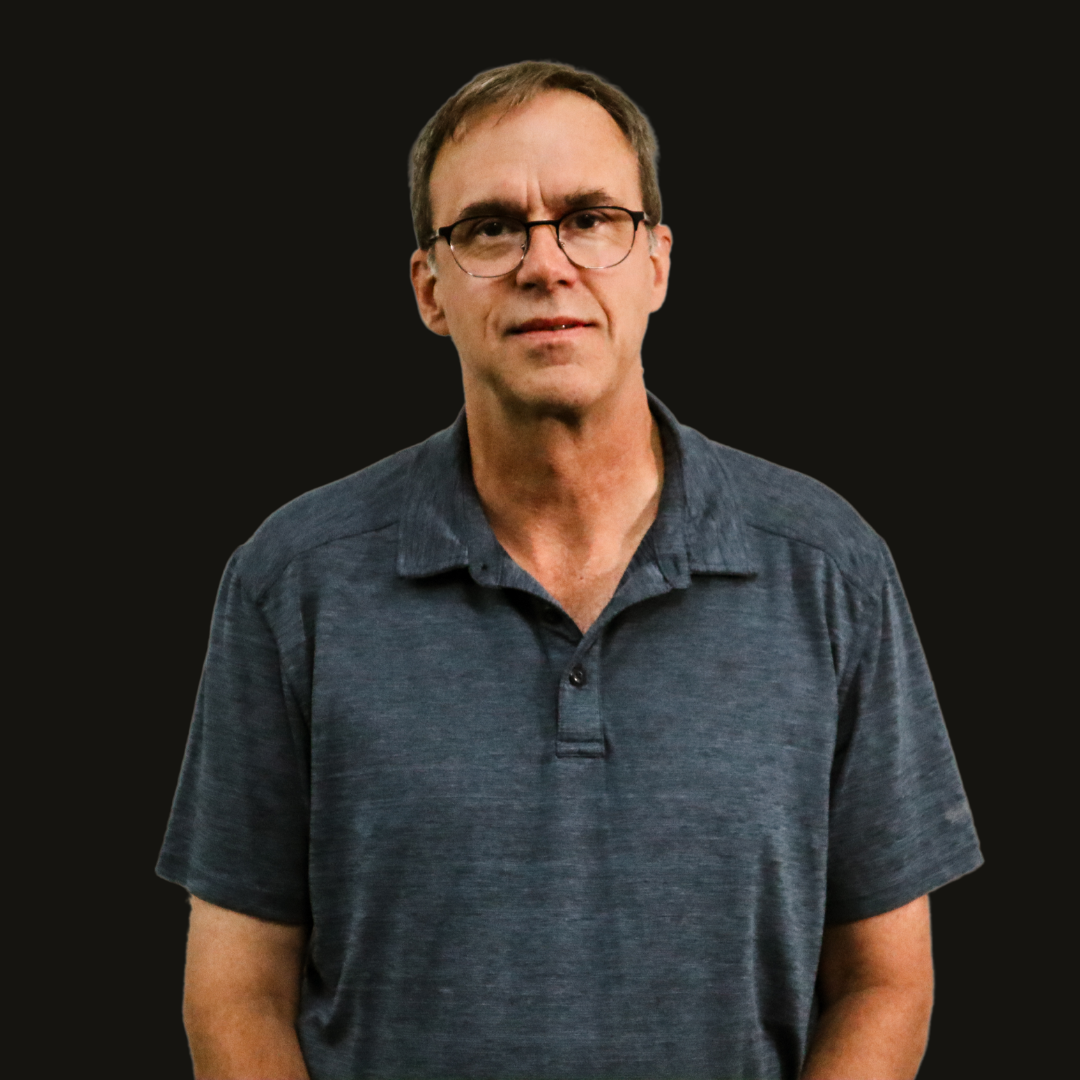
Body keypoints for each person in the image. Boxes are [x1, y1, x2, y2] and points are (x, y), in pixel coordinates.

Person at [157, 60, 982, 1080]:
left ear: (658, 265)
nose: (547, 263)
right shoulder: (292, 580)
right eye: (492, 228)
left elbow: (886, 981)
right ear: (429, 288)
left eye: (591, 217)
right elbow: (235, 992)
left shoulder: (830, 569)